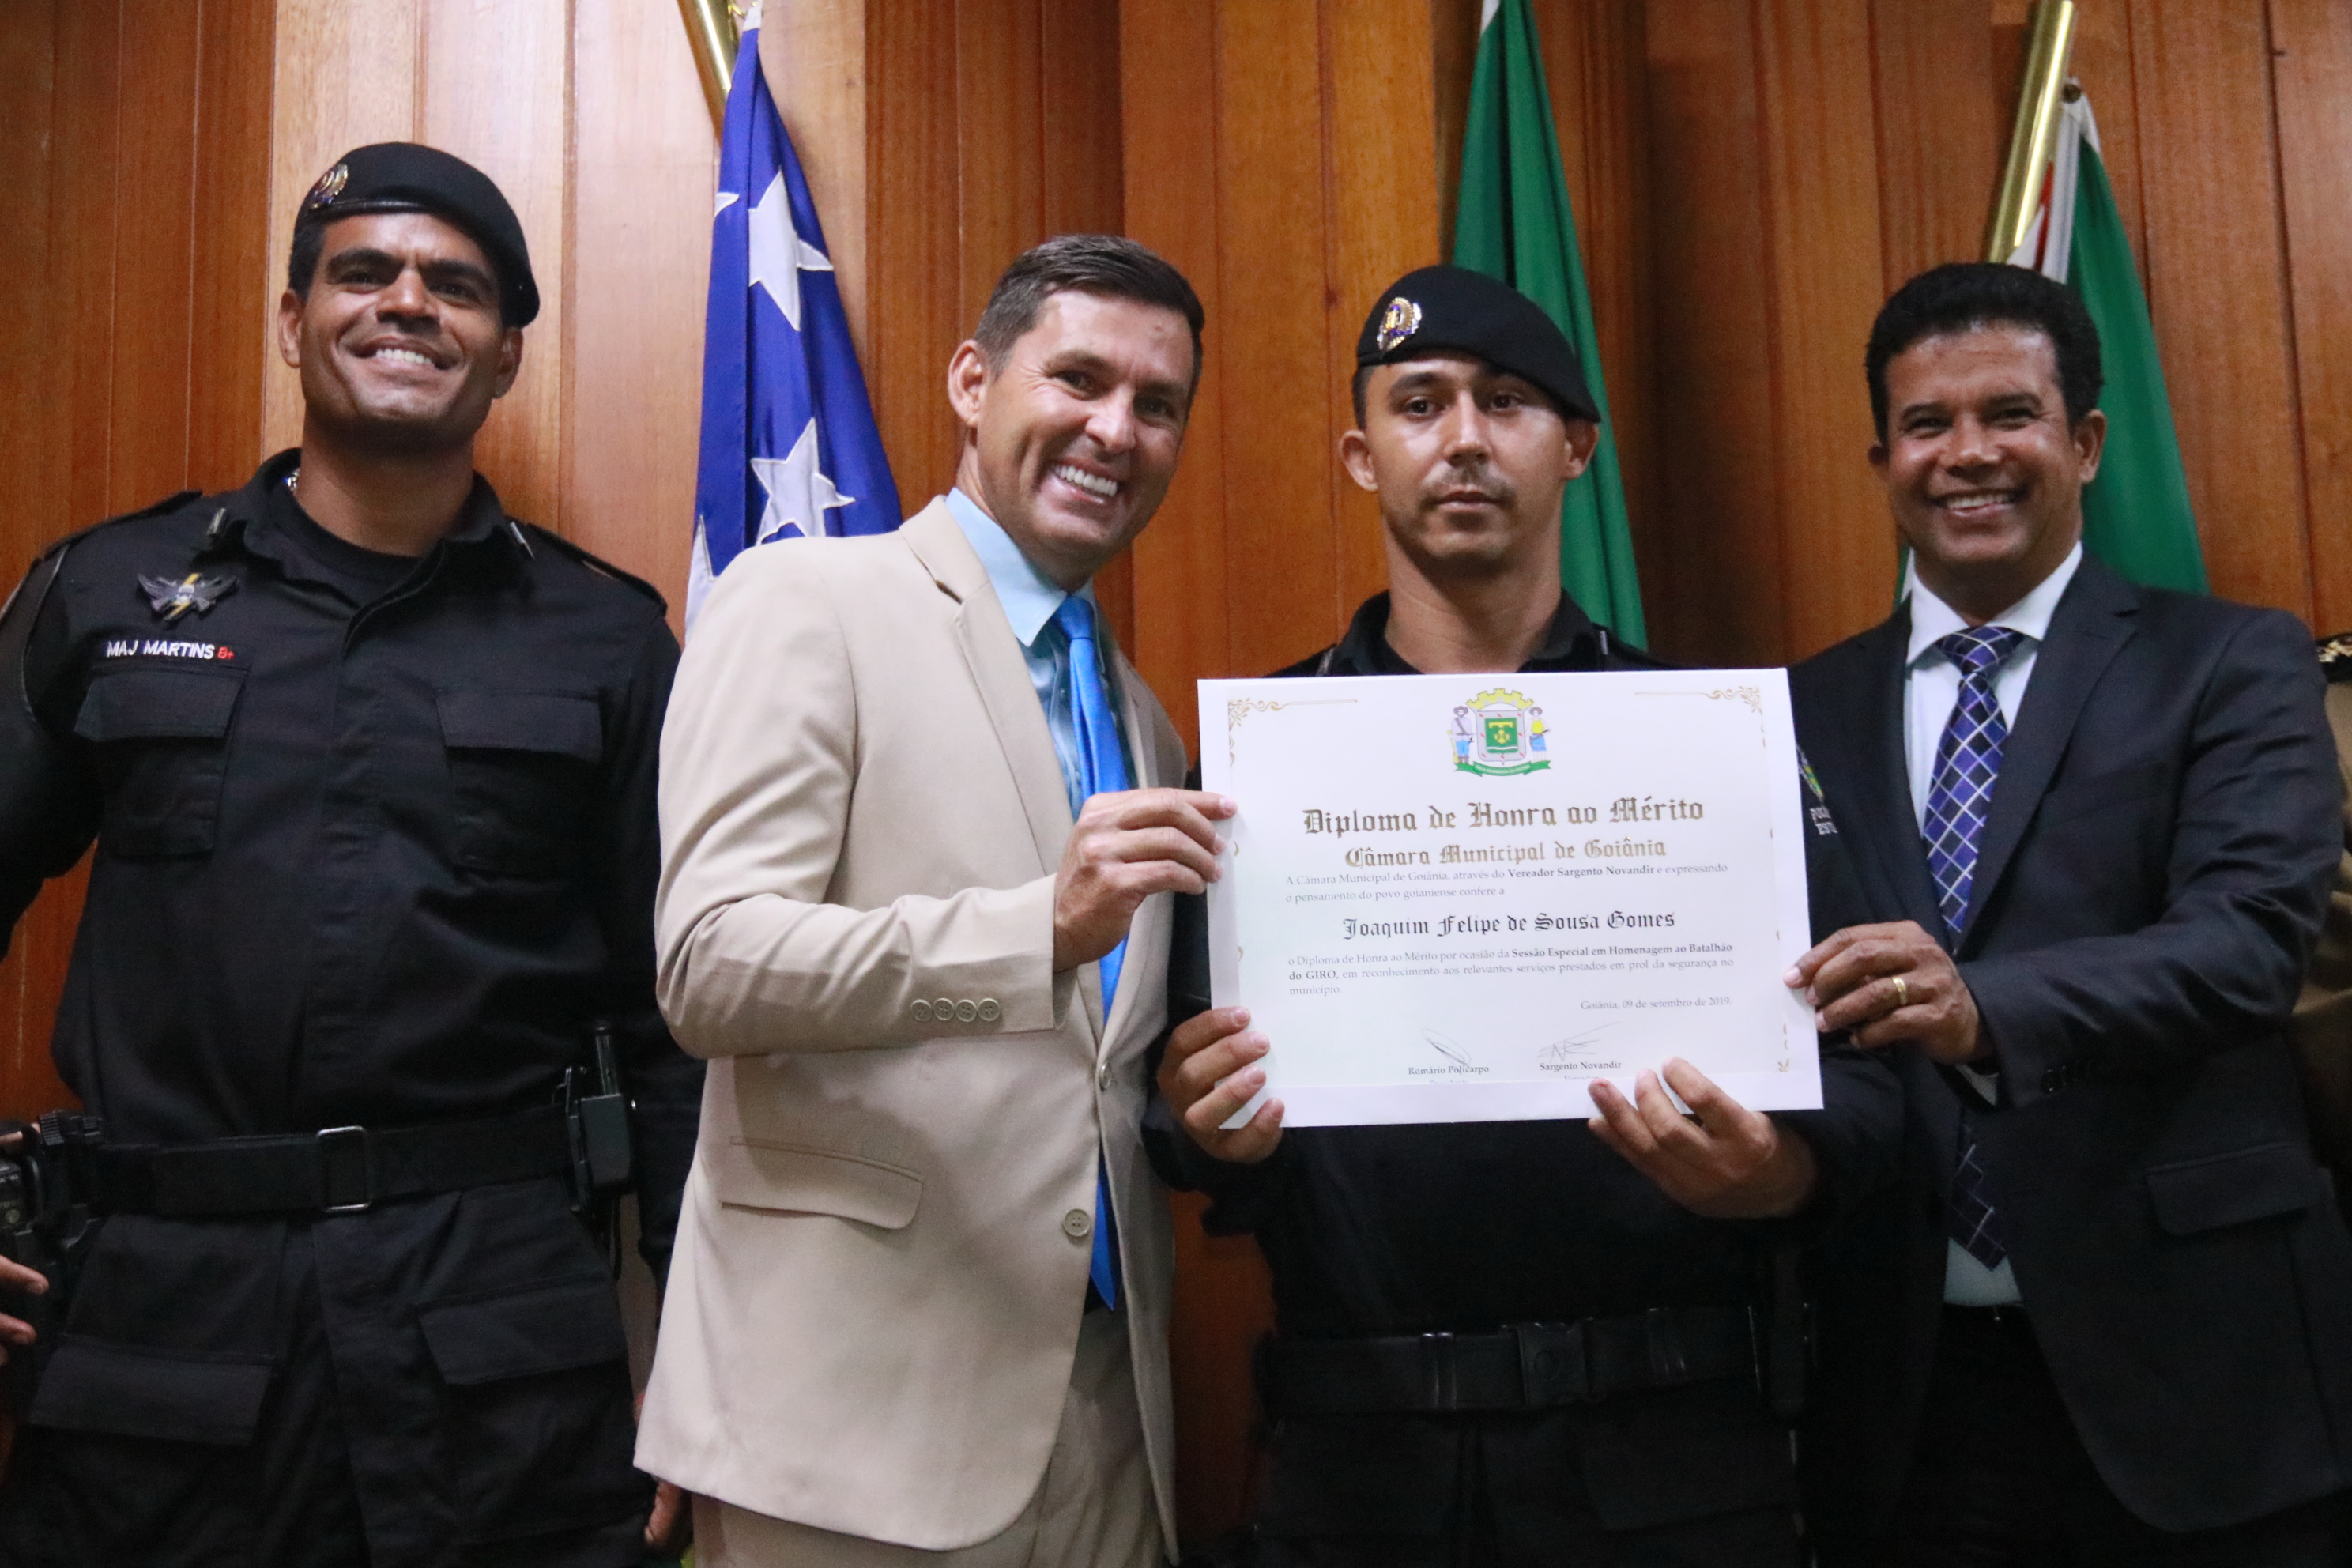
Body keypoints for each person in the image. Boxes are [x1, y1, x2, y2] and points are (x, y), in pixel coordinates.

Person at [0, 142, 703, 1566]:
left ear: (504, 354)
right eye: (364, 271)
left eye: (456, 286)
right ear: (293, 319)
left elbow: (679, 1020)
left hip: (498, 1351)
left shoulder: (608, 638)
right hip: (159, 1349)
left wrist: (702, 1360)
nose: (407, 303)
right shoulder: (108, 592)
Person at [1148, 265, 1898, 1566]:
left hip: (1674, 1458)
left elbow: (1875, 1080)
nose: (1464, 440)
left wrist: (1782, 1174)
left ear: (1576, 449)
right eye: (1419, 404)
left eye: (1506, 403)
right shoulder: (1262, 764)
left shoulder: (1713, 741)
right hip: (1364, 1469)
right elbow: (1176, 1117)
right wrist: (1202, 1119)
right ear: (1361, 457)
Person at [637, 235, 1222, 1568]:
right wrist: (1037, 932)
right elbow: (709, 966)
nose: (1115, 430)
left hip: (1106, 1421)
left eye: (1158, 404)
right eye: (1077, 379)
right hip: (850, 1437)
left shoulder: (1146, 724)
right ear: (972, 382)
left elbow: (1098, 1078)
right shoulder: (808, 601)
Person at [1788, 261, 2352, 1564]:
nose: (1967, 454)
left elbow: (2249, 948)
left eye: (2010, 414)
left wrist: (1981, 1008)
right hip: (1909, 1391)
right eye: (1926, 424)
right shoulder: (1796, 710)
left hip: (2204, 1375)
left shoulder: (2233, 662)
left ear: (2087, 443)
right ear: (1882, 461)